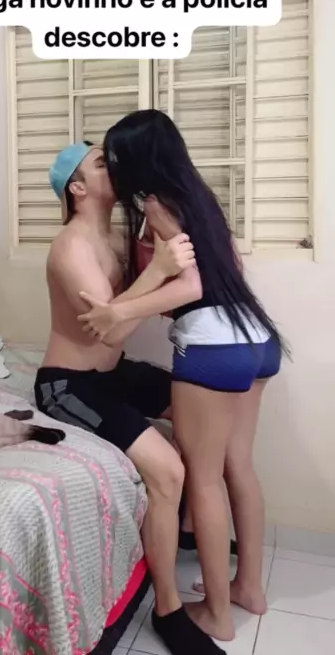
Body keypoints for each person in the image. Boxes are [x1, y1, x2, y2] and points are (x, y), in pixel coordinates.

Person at [78, 110, 286, 643]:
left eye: (113, 156)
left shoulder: (157, 206)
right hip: (256, 339)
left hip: (214, 345)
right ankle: (248, 588)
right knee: (238, 466)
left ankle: (216, 614)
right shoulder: (197, 197)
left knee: (205, 478)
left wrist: (118, 312)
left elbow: (190, 287)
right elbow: (224, 272)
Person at [35, 141, 225, 655]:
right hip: (68, 384)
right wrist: (160, 270)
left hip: (113, 374)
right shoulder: (70, 247)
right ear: (77, 188)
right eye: (100, 163)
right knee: (167, 470)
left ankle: (186, 526)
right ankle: (168, 610)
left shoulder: (115, 234)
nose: (113, 166)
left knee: (200, 410)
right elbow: (111, 329)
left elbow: (141, 307)